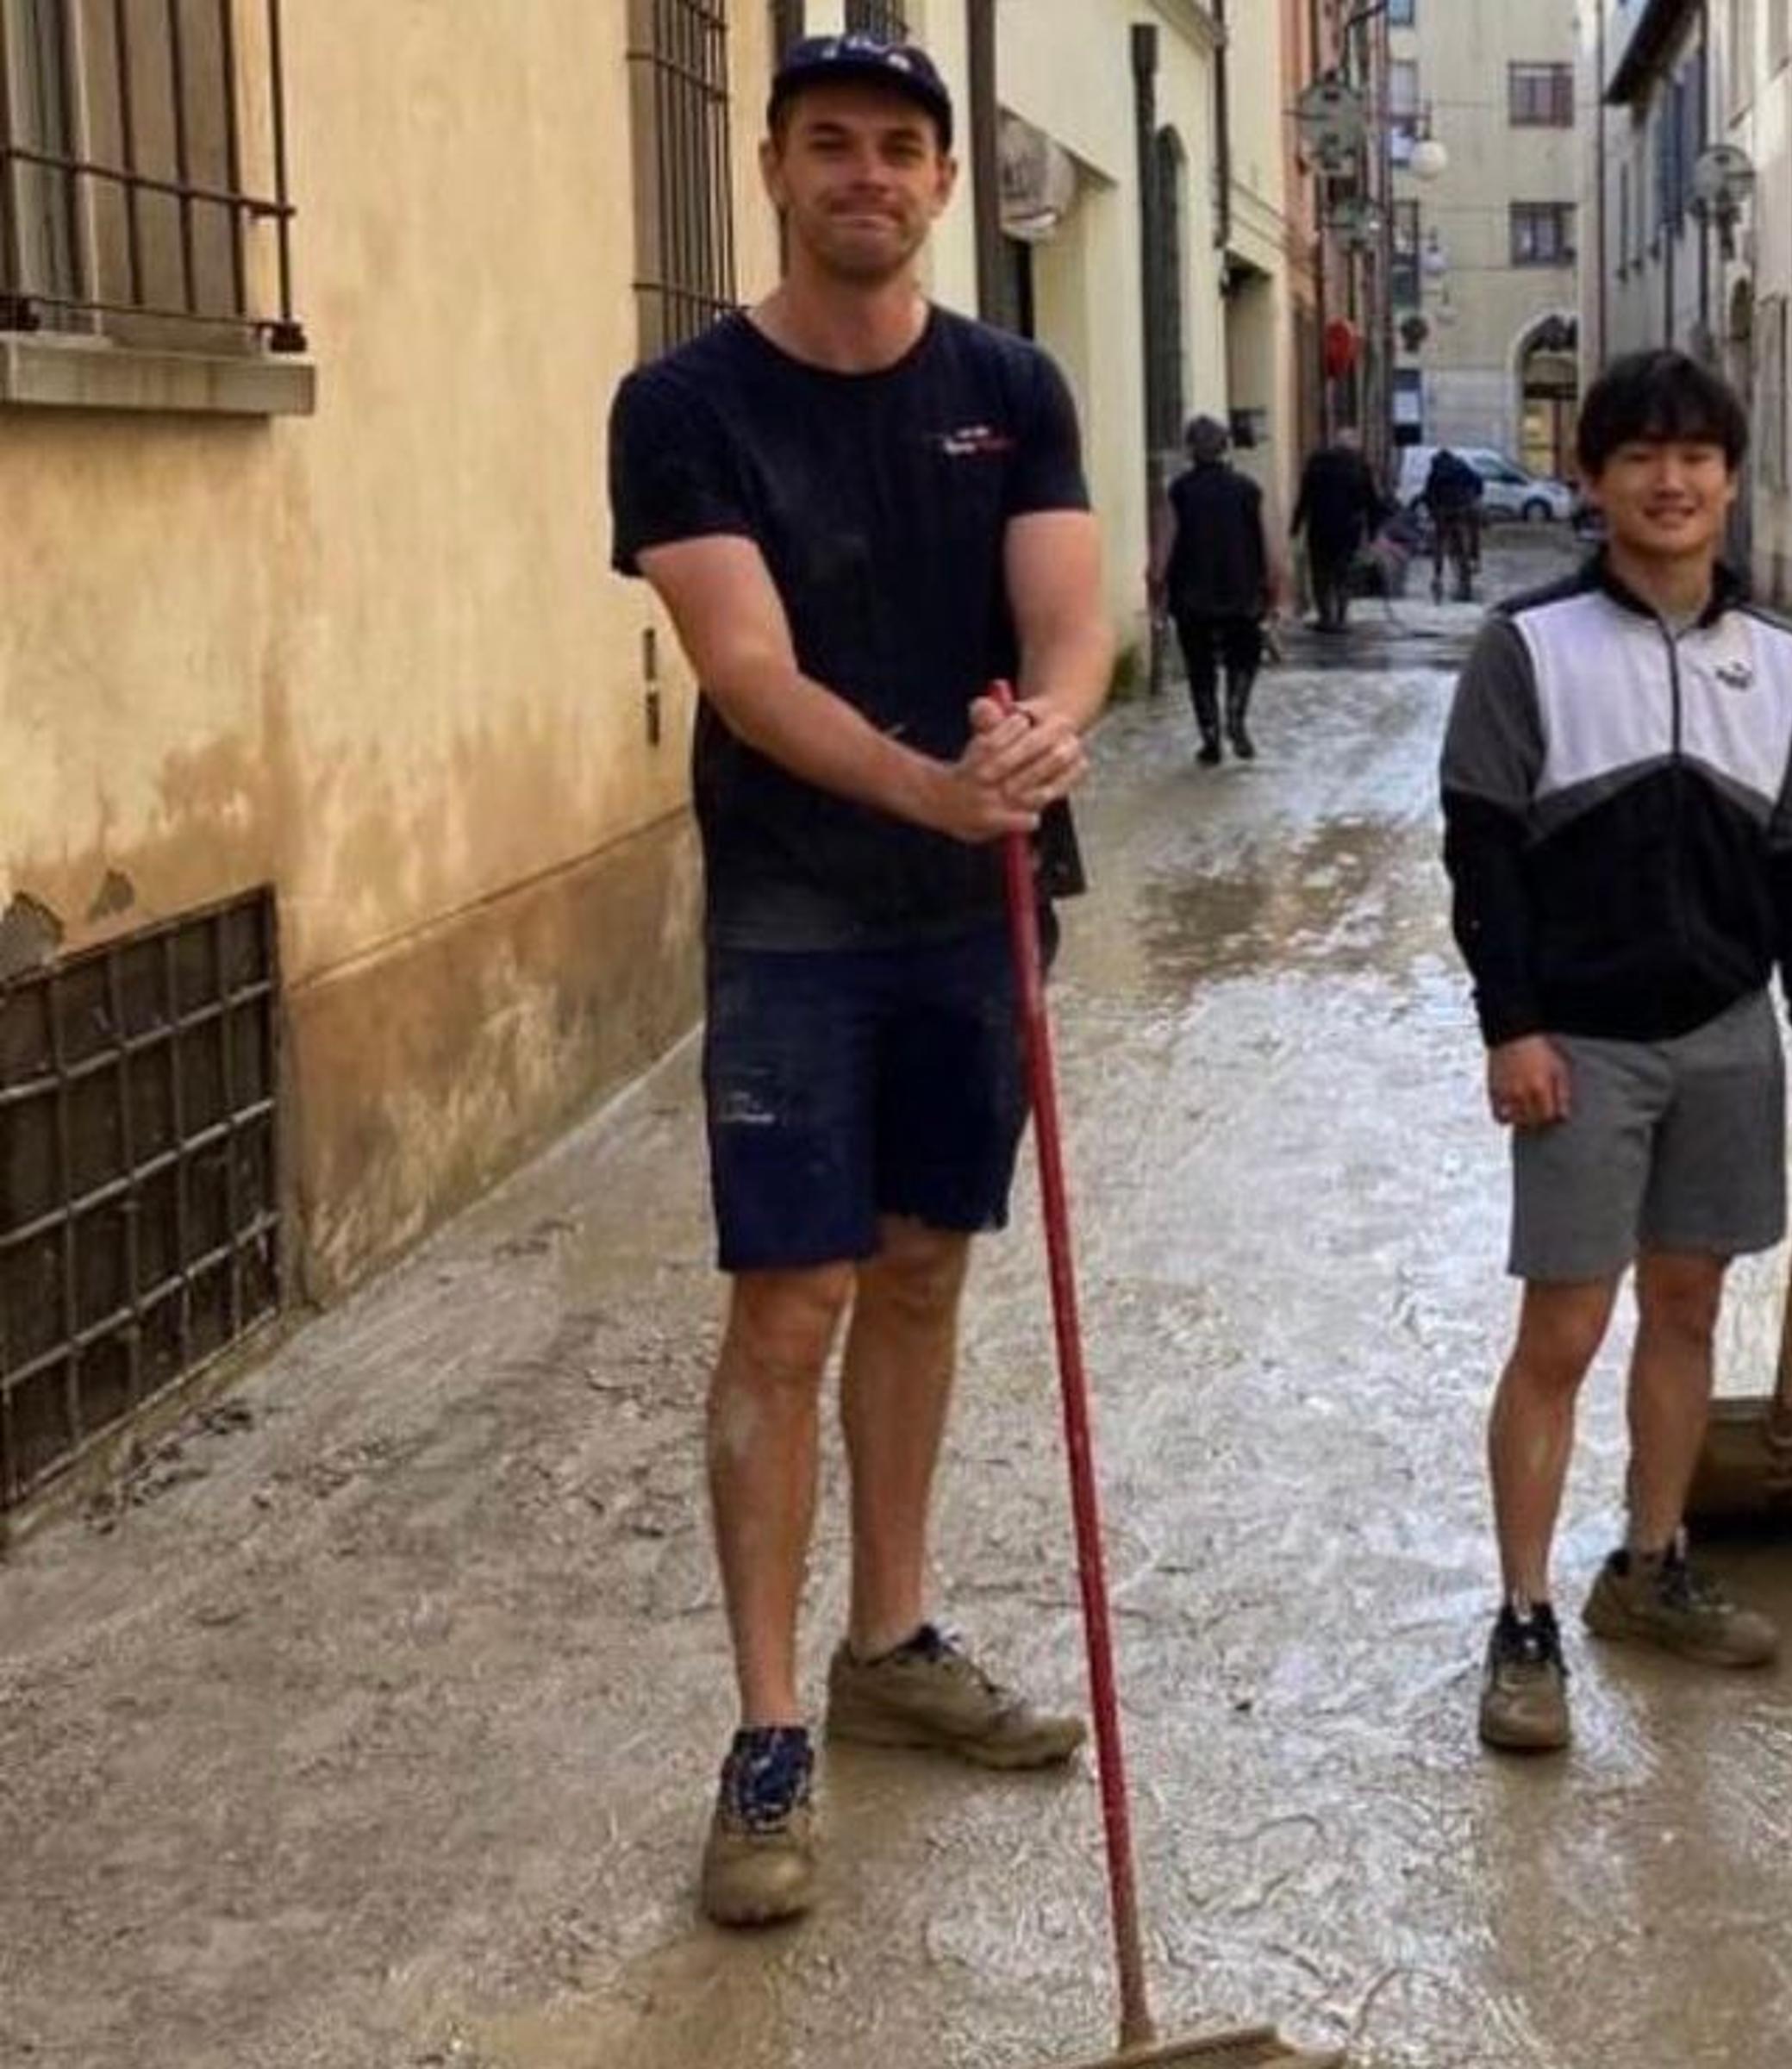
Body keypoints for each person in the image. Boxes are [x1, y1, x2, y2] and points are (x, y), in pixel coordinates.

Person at [606, 31, 1109, 1928]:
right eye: (834, 146)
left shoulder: (1013, 386)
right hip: (802, 907)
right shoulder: (684, 404)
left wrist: (1043, 744)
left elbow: (1074, 622)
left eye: (904, 149)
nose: (870, 177)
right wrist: (935, 786)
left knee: (920, 1272)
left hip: (977, 909)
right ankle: (764, 1736)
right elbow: (745, 667)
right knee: (789, 1309)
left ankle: (887, 1645)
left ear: (941, 182)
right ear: (775, 168)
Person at [1437, 351, 1792, 1755]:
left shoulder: (1782, 666)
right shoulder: (1530, 648)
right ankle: (1522, 1618)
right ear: (1592, 476)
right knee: (1562, 1330)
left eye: (1697, 456)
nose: (1671, 481)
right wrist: (1512, 1028)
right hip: (1584, 1045)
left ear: (1732, 479)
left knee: (1688, 1312)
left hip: (1729, 1037)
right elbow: (1483, 856)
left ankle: (1652, 1565)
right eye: (1640, 455)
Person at [1150, 415, 1285, 765]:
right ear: (1226, 448)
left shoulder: (1179, 491)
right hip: (1243, 595)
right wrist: (1273, 591)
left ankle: (1211, 738)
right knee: (1243, 660)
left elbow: (1163, 550)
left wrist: (1156, 589)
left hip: (1192, 599)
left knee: (1200, 668)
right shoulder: (1249, 490)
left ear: (1190, 449)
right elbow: (1271, 551)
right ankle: (1236, 717)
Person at [1290, 428, 1388, 631]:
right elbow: (1371, 501)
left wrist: (1296, 525)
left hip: (1319, 527)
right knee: (1342, 573)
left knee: (1320, 573)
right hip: (1348, 529)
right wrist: (1373, 532)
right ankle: (1341, 618)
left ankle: (1325, 617)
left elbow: (1304, 496)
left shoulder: (1316, 463)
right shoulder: (1360, 467)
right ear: (1354, 445)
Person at [1422, 445, 1486, 603]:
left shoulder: (1435, 471)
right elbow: (1478, 482)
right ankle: (1470, 563)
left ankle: (1437, 575)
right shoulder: (1461, 466)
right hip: (1462, 508)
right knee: (1467, 536)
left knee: (1439, 543)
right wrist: (1474, 497)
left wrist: (1432, 512)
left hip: (1442, 512)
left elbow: (1429, 494)